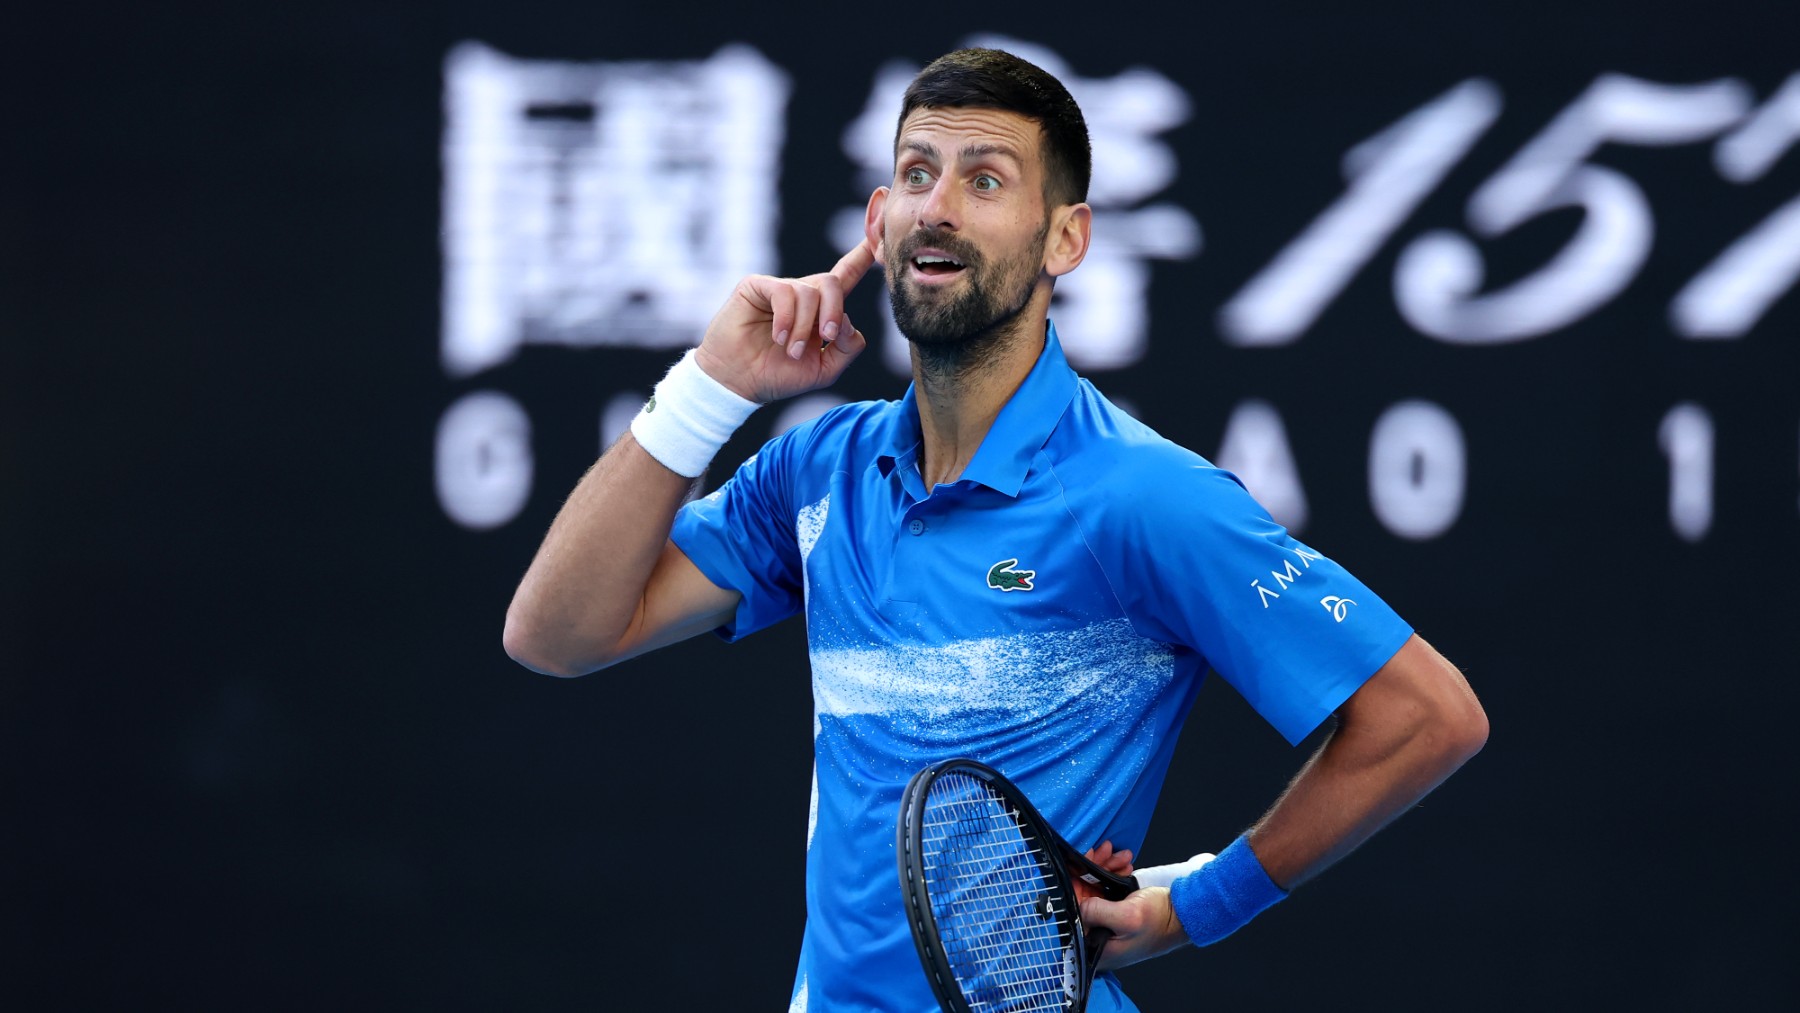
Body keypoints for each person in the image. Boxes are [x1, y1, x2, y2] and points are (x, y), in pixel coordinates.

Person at [504, 47, 1488, 1013]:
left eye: (985, 180)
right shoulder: (819, 469)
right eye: (917, 174)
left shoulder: (1142, 497)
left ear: (1066, 239)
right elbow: (558, 633)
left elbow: (1424, 716)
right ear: (879, 222)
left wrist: (1194, 902)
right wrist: (710, 388)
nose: (937, 205)